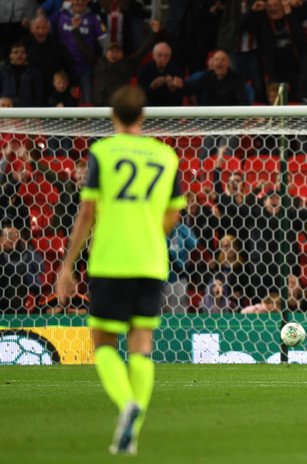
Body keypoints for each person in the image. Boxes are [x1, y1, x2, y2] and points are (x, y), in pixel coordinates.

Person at [55, 85, 186, 455]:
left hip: (111, 258)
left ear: (113, 117)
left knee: (101, 342)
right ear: (143, 116)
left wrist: (67, 265)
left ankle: (126, 403)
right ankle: (133, 430)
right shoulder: (165, 156)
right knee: (141, 343)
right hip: (150, 260)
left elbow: (86, 212)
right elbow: (174, 213)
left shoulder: (103, 152)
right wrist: (149, 232)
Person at [75, 20, 159, 106]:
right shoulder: (98, 63)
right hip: (99, 105)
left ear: (122, 53)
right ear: (106, 53)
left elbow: (144, 50)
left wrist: (154, 32)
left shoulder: (128, 64)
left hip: (120, 105)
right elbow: (84, 48)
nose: (114, 54)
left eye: (117, 51)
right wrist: (75, 30)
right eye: (112, 51)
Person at [0, 224, 44, 313]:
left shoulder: (25, 252)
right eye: (9, 235)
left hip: (22, 294)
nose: (13, 238)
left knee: (16, 283)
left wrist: (28, 249)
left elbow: (41, 268)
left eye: (16, 235)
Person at [137, 42, 185, 106]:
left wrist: (172, 89)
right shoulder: (144, 70)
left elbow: (181, 96)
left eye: (166, 56)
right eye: (159, 55)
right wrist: (152, 88)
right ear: (153, 55)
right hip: (151, 108)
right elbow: (139, 97)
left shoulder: (176, 70)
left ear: (169, 57)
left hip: (171, 108)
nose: (162, 59)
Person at [0, 41, 43, 107]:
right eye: (16, 52)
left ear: (26, 55)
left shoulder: (33, 72)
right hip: (4, 110)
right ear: (10, 55)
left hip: (26, 111)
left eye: (22, 53)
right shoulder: (2, 69)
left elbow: (38, 96)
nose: (19, 55)